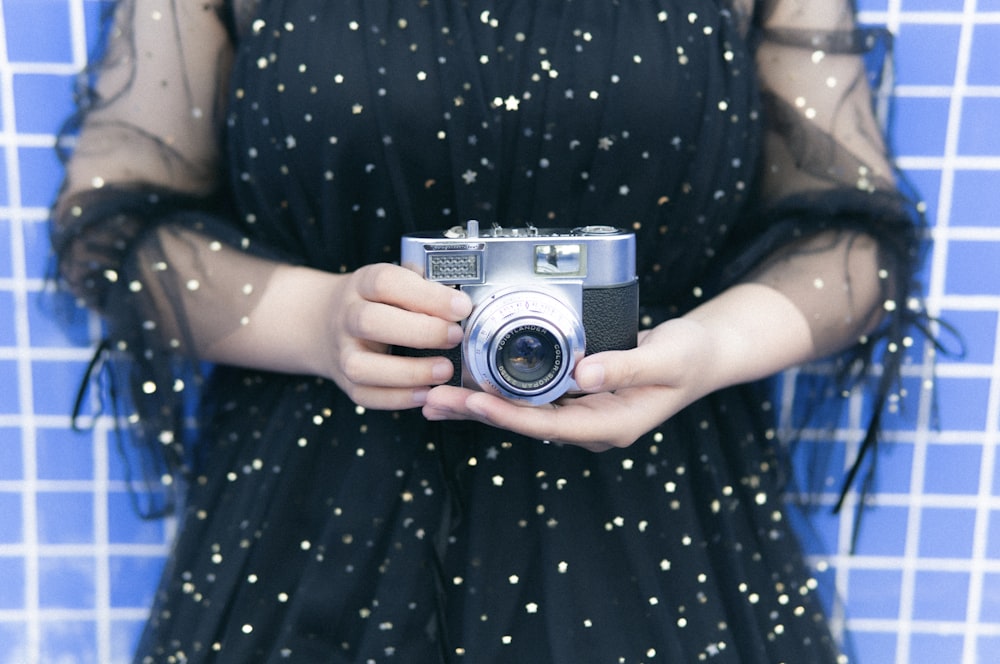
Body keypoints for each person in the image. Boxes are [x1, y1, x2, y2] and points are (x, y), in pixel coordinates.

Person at [52, 0, 926, 661]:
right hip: (313, 515)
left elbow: (851, 237)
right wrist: (317, 321)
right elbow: (115, 228)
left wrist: (707, 351)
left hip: (663, 508)